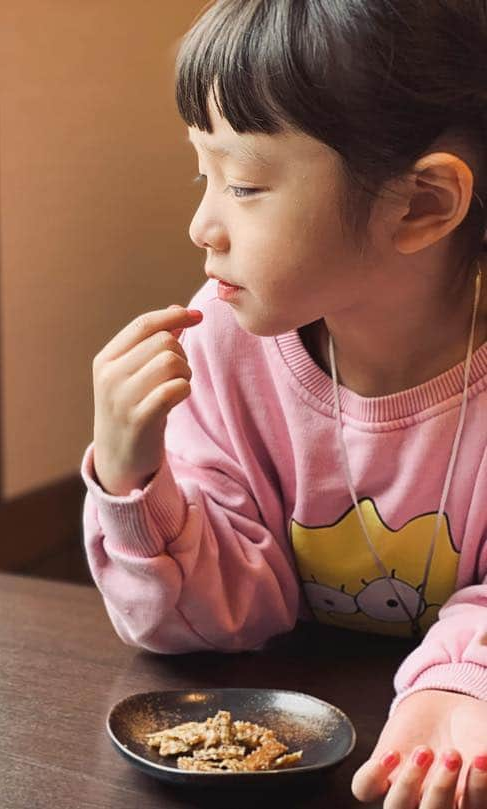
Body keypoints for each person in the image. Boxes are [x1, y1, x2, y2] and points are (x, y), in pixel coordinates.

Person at [84, 1, 487, 807]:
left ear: (420, 206)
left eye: (243, 183)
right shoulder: (225, 349)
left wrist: (463, 681)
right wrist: (133, 479)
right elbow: (218, 618)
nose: (202, 224)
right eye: (203, 173)